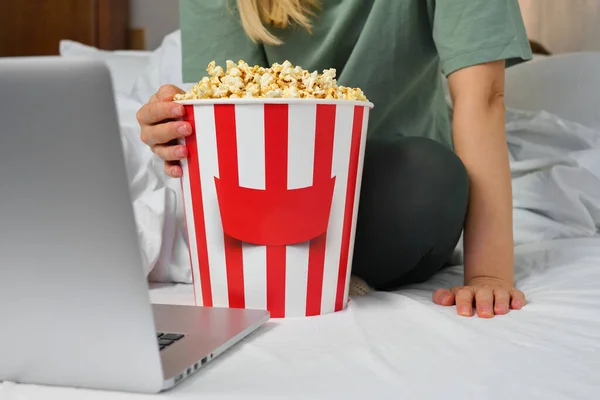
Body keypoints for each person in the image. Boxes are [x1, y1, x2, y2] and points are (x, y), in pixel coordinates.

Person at [137, 0, 532, 318]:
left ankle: (312, 263)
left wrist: (488, 274)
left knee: (431, 175)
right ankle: (296, 261)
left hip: (394, 189)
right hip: (274, 182)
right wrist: (179, 127)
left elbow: (481, 97)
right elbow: (227, 110)